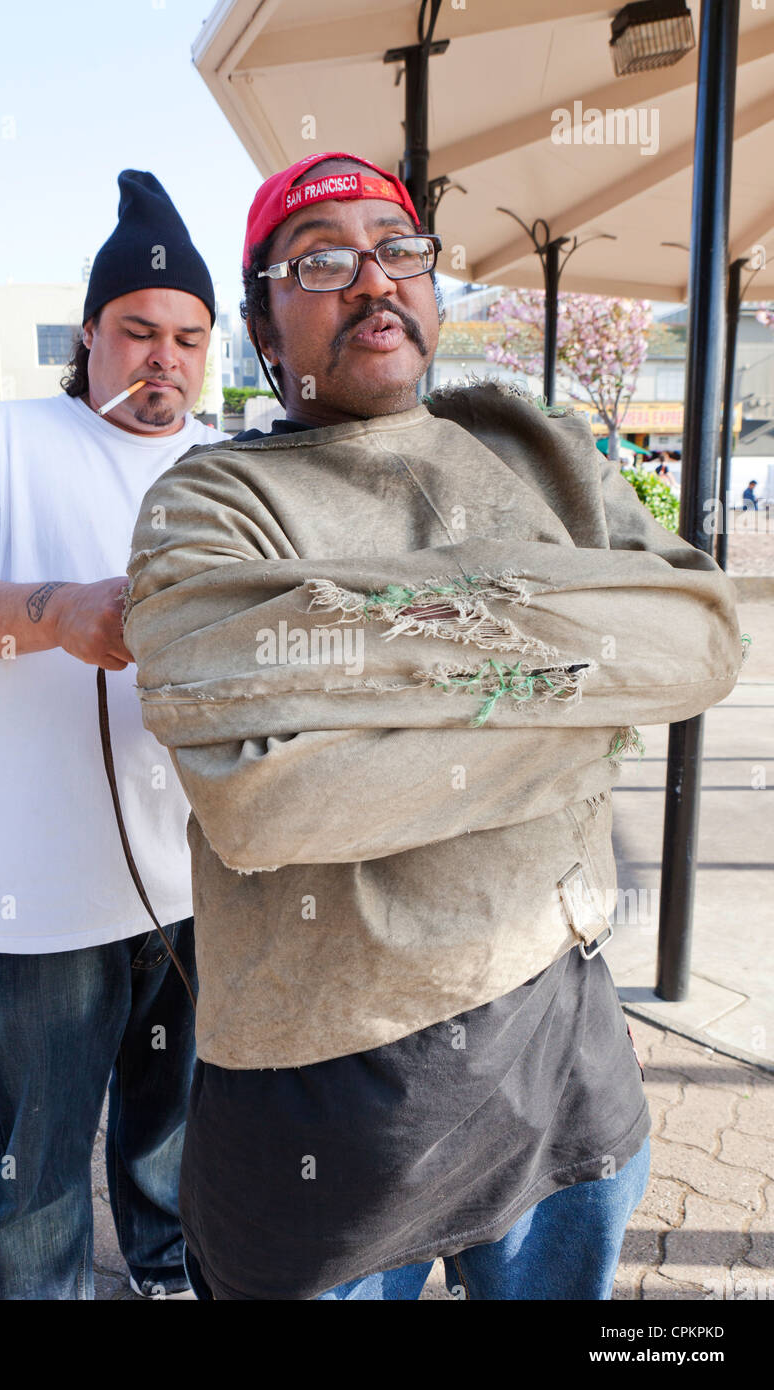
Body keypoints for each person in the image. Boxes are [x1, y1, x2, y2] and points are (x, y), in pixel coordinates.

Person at [121, 152, 746, 1302]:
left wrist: (348, 652)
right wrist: (581, 699)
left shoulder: (539, 446)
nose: (371, 278)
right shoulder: (213, 504)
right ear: (262, 320)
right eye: (320, 259)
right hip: (329, 1088)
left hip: (565, 1048)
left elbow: (698, 638)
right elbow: (264, 803)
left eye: (397, 247)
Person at [0, 170, 226, 1300]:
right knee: (38, 1170)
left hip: (190, 879)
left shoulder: (224, 465)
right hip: (43, 899)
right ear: (89, 333)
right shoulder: (1, 441)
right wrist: (58, 612)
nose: (162, 357)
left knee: (170, 1133)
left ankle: (165, 1269)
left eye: (187, 335)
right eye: (137, 330)